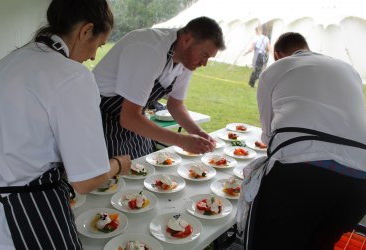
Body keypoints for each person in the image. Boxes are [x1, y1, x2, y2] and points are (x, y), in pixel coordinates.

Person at [0, 0, 131, 249]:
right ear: (86, 31)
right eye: (98, 46)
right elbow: (86, 181)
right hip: (32, 213)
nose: (92, 56)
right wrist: (118, 164)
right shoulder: (72, 76)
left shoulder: (5, 63)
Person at [247, 32, 366, 249]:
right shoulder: (348, 69)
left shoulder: (274, 69)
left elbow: (267, 135)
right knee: (317, 244)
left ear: (277, 54)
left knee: (269, 242)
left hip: (300, 173)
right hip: (360, 180)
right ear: (306, 47)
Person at [93, 16, 226, 159]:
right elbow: (129, 118)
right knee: (111, 176)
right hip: (100, 118)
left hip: (134, 118)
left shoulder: (186, 60)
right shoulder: (150, 49)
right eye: (204, 55)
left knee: (144, 168)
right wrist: (181, 140)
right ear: (187, 39)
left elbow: (176, 105)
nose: (204, 63)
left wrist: (198, 133)